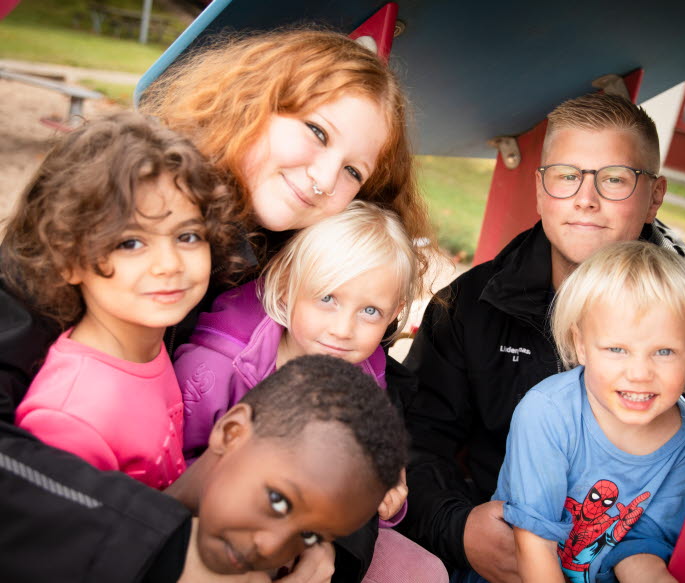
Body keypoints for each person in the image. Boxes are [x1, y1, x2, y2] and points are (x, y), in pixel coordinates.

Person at [0, 27, 436, 581]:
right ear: (253, 104)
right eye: (315, 131)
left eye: (354, 170)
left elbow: (363, 391)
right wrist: (169, 550)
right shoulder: (122, 204)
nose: (327, 178)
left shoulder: (311, 255)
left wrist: (326, 543)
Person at [398, 92, 685, 581]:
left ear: (655, 196)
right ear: (542, 190)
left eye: (614, 179)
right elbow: (413, 437)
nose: (585, 198)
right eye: (567, 176)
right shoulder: (470, 305)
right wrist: (457, 527)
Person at [174, 200, 448, 581]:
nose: (343, 329)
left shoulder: (367, 379)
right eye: (328, 298)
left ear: (394, 313)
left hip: (308, 530)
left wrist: (384, 494)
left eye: (370, 311)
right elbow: (173, 469)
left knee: (425, 571)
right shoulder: (217, 367)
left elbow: (355, 486)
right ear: (286, 288)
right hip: (211, 523)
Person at [1, 355, 407, 582]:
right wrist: (169, 554)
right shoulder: (73, 483)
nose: (270, 547)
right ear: (230, 433)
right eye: (278, 501)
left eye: (308, 535)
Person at [4, 112, 243, 490]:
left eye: (188, 236)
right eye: (130, 243)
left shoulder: (146, 343)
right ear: (69, 261)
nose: (169, 264)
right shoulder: (71, 418)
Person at [496, 241, 685, 583]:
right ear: (581, 345)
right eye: (617, 349)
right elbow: (533, 541)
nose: (640, 373)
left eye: (664, 351)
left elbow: (642, 547)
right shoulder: (548, 413)